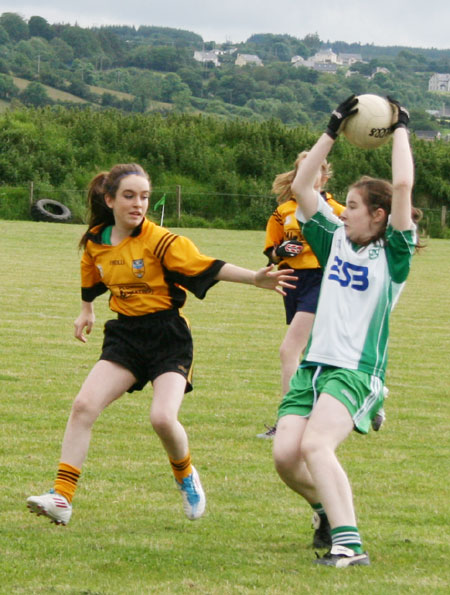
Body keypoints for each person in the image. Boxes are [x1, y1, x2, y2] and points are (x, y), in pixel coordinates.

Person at [26, 163, 296, 526]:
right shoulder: (96, 240)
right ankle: (61, 496)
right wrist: (85, 310)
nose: (139, 204)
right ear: (110, 200)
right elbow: (91, 274)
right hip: (126, 336)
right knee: (83, 406)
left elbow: (206, 266)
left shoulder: (160, 240)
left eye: (145, 197)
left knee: (162, 418)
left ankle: (186, 476)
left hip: (168, 337)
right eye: (129, 196)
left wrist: (254, 278)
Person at [272, 95, 420, 567]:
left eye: (353, 206)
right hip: (315, 368)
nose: (345, 211)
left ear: (378, 215)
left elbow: (400, 184)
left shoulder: (393, 253)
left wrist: (400, 128)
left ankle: (350, 546)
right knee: (285, 457)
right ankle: (326, 513)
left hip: (356, 370)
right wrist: (332, 128)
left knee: (316, 445)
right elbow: (300, 184)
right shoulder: (333, 238)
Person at [257, 152, 345, 440]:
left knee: (289, 350)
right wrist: (280, 252)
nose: (308, 175)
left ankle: (288, 422)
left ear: (325, 176)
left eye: (315, 170)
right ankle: (366, 397)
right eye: (302, 171)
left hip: (322, 280)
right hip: (294, 281)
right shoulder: (283, 211)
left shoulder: (336, 209)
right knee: (317, 352)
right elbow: (271, 249)